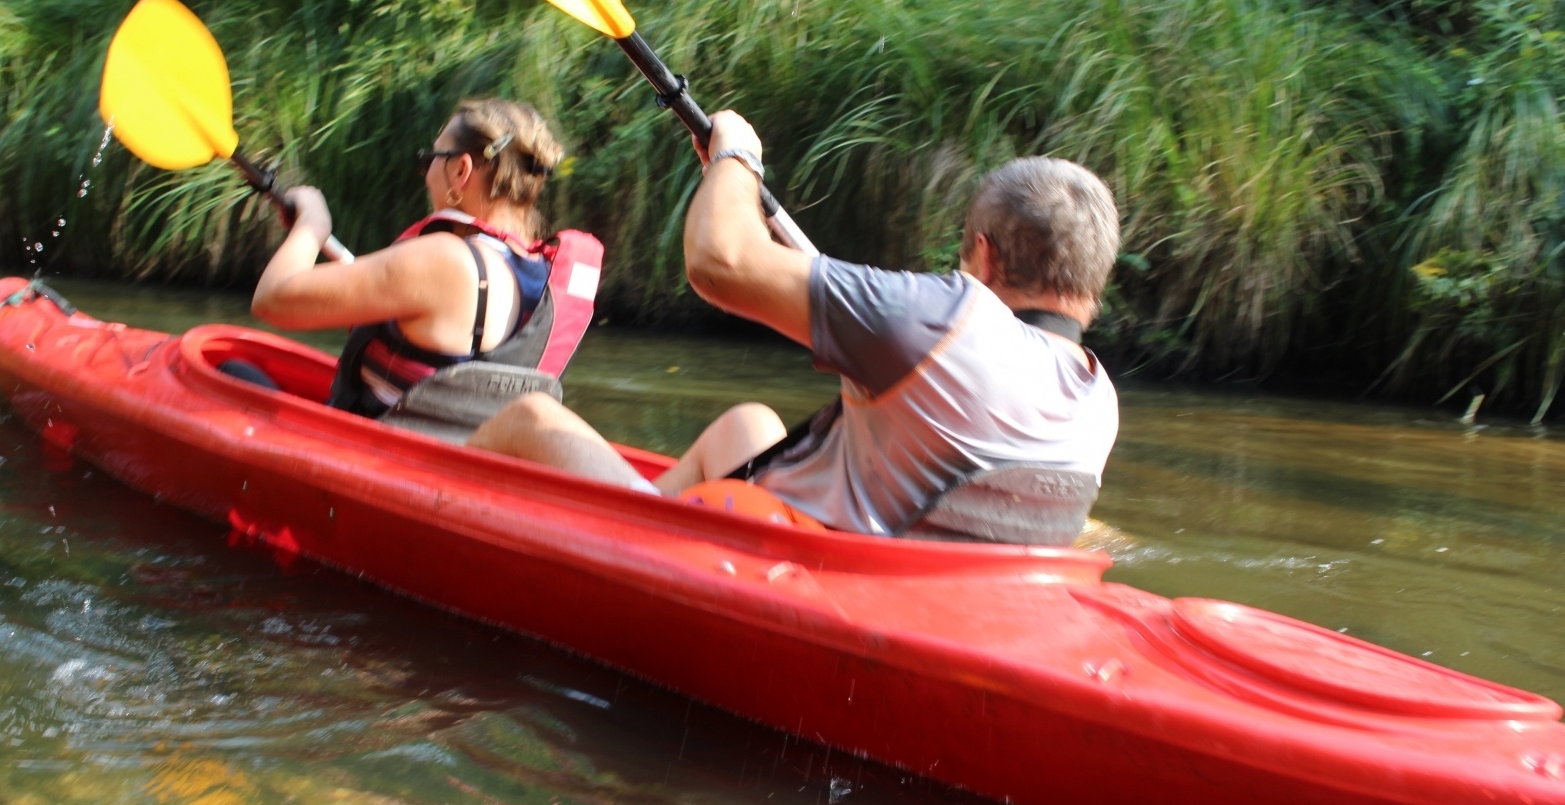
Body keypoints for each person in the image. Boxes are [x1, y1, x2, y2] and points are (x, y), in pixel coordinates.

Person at [469, 109, 1119, 536]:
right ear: (1093, 280)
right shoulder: (1097, 398)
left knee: (529, 414)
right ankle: (623, 508)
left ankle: (595, 527)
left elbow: (718, 262)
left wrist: (737, 158)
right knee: (747, 424)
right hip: (907, 570)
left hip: (789, 571)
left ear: (985, 253)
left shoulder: (946, 316)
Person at [250, 98, 601, 418]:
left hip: (381, 456)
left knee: (235, 371)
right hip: (455, 457)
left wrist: (312, 224)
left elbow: (272, 298)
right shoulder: (538, 278)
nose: (425, 172)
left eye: (430, 159)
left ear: (461, 170)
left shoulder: (443, 260)